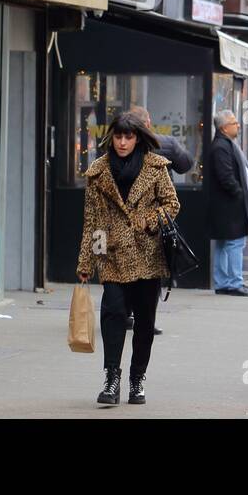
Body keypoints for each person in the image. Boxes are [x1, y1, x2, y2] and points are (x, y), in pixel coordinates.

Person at [77, 111, 181, 406]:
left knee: (145, 322)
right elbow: (91, 220)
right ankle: (112, 380)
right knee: (112, 316)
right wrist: (86, 261)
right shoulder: (98, 171)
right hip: (111, 256)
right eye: (119, 136)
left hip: (147, 256)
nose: (122, 142)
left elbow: (172, 204)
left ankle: (137, 379)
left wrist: (149, 220)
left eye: (129, 136)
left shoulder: (155, 166)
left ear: (138, 138)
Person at [127, 106, 193, 334]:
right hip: (154, 218)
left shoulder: (120, 146)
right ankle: (146, 319)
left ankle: (126, 314)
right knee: (151, 270)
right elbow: (186, 164)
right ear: (149, 123)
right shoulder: (166, 143)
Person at [205, 109, 248, 297]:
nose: (238, 125)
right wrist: (239, 194)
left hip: (226, 204)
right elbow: (225, 176)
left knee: (223, 244)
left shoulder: (225, 144)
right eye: (234, 122)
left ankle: (222, 283)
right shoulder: (221, 146)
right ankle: (235, 283)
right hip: (229, 205)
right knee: (235, 243)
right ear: (223, 127)